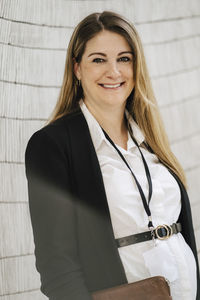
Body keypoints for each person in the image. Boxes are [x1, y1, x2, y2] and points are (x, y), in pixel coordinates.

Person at [25, 11, 200, 300]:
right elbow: (56, 267)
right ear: (77, 68)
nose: (114, 72)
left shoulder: (149, 137)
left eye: (124, 58)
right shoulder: (52, 146)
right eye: (98, 59)